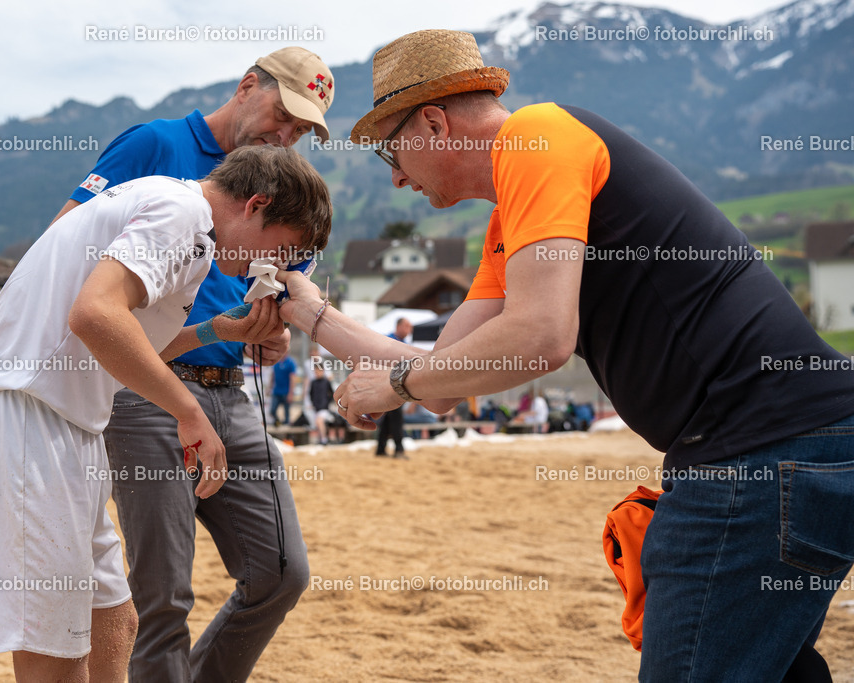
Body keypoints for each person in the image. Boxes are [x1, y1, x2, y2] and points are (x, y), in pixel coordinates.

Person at [276, 29, 854, 680]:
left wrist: (396, 385)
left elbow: (540, 336)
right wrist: (310, 314)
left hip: (756, 449)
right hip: (789, 443)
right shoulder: (516, 207)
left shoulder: (536, 138)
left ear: (435, 122)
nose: (396, 175)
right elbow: (445, 371)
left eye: (391, 149)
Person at [0, 145, 332, 682]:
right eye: (283, 249)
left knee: (115, 622)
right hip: (26, 418)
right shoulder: (182, 212)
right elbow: (94, 314)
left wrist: (216, 331)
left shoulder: (186, 222)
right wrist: (188, 411)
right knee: (53, 651)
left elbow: (121, 339)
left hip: (65, 421)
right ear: (256, 205)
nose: (270, 267)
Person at [51, 46, 335, 683]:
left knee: (281, 573)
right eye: (282, 116)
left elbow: (288, 277)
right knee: (164, 598)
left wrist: (274, 334)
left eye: (301, 131)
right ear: (245, 86)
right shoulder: (155, 145)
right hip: (148, 388)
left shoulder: (281, 188)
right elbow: (67, 236)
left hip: (234, 389)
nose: (287, 136)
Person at [376, 317, 412, 458]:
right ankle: (398, 449)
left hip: (396, 385)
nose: (410, 329)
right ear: (399, 326)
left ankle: (380, 449)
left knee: (389, 419)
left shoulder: (402, 343)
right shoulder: (390, 341)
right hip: (389, 386)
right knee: (397, 419)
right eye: (407, 326)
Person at [271, 354, 298, 425]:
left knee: (286, 414)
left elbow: (293, 378)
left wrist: (291, 393)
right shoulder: (276, 362)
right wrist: (269, 387)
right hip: (277, 391)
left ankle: (286, 427)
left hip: (286, 392)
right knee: (272, 410)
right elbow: (273, 375)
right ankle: (278, 422)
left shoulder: (290, 363)